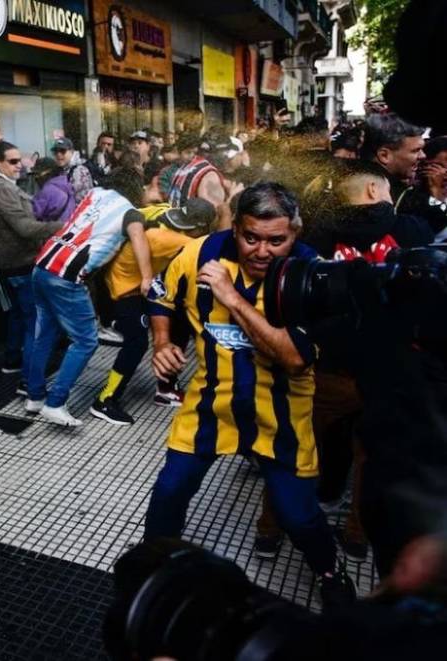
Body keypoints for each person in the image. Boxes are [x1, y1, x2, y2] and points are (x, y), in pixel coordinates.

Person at [143, 182, 356, 611]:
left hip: (281, 413)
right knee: (170, 489)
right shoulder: (200, 253)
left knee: (298, 514)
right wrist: (162, 342)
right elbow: (161, 296)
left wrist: (231, 298)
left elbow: (293, 358)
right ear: (236, 227)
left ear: (295, 232)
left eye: (276, 241)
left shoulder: (315, 276)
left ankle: (331, 571)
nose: (261, 251)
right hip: (211, 403)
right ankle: (154, 566)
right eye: (250, 237)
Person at [255, 160, 435, 563]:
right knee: (373, 460)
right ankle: (356, 537)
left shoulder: (318, 235)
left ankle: (269, 530)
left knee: (294, 447)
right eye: (386, 189)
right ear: (373, 190)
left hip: (325, 368)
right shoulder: (412, 231)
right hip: (387, 372)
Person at [25, 182, 153, 427]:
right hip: (66, 277)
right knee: (85, 341)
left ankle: (35, 397)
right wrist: (147, 277)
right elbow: (139, 238)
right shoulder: (130, 213)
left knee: (45, 334)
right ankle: (55, 403)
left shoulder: (96, 193)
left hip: (42, 266)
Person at [90, 198, 215, 426]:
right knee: (137, 342)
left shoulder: (163, 209)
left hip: (131, 278)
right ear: (199, 227)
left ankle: (166, 389)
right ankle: (105, 400)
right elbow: (214, 253)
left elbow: (132, 213)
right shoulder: (174, 240)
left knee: (178, 320)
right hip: (124, 287)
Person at [0, 141, 64, 389]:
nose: (20, 166)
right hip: (18, 264)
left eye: (20, 160)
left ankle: (13, 360)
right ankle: (29, 380)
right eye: (13, 161)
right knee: (35, 321)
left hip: (8, 264)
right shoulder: (1, 188)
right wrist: (62, 226)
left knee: (18, 314)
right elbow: (25, 228)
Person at [363, 113, 446, 234]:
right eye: (416, 150)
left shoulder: (349, 176)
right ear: (384, 155)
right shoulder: (401, 197)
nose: (423, 156)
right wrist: (436, 195)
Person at [166, 134, 227, 210]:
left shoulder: (208, 174)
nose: (192, 156)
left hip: (191, 216)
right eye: (188, 152)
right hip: (175, 214)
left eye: (195, 153)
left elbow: (214, 208)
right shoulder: (180, 167)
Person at [50, 137, 93, 204]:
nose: (59, 154)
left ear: (72, 152)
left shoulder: (79, 170)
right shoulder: (60, 169)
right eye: (55, 152)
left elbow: (71, 195)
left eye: (62, 151)